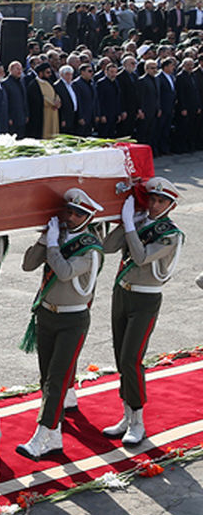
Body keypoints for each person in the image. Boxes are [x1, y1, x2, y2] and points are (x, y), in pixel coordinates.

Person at [16, 189, 104, 460]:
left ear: (88, 217)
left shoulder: (90, 248)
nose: (71, 216)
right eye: (68, 211)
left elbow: (64, 272)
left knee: (57, 379)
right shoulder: (58, 237)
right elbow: (28, 265)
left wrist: (53, 245)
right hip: (46, 315)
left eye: (78, 213)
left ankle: (41, 435)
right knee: (46, 378)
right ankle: (55, 437)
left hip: (72, 318)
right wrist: (45, 239)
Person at [100, 180, 183, 445]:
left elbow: (140, 256)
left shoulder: (170, 233)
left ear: (171, 205)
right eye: (152, 199)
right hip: (121, 293)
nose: (155, 205)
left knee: (131, 359)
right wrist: (125, 222)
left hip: (145, 299)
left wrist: (131, 226)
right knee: (119, 358)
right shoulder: (138, 221)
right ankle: (126, 416)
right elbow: (108, 247)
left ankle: (138, 421)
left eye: (161, 201)